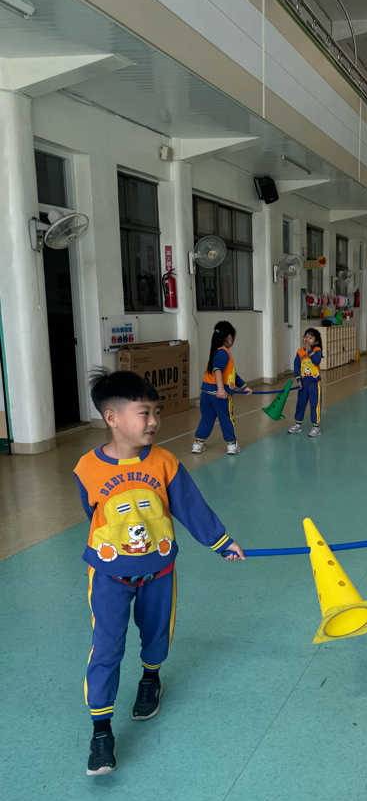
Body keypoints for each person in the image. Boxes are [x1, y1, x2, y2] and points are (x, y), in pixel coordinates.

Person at [75, 369, 245, 776]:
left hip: (159, 570)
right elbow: (92, 511)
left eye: (156, 412)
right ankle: (101, 731)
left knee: (156, 634)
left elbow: (190, 506)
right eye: (144, 413)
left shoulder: (165, 462)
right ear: (112, 418)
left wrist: (221, 542)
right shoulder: (87, 467)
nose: (153, 421)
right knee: (106, 647)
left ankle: (151, 678)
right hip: (109, 576)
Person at [192, 321, 252, 456]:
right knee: (226, 418)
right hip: (219, 394)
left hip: (206, 391)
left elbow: (231, 374)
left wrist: (244, 386)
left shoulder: (216, 351)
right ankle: (232, 444)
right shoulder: (224, 352)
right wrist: (220, 388)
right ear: (229, 337)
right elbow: (217, 370)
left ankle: (198, 443)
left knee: (207, 418)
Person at [288, 328, 323, 437]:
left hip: (314, 384)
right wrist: (298, 380)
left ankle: (316, 427)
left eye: (310, 337)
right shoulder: (299, 352)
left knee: (315, 404)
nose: (307, 339)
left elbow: (316, 361)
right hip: (303, 384)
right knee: (300, 404)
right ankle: (298, 424)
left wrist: (309, 350)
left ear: (316, 342)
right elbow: (296, 367)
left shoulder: (317, 350)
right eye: (305, 337)